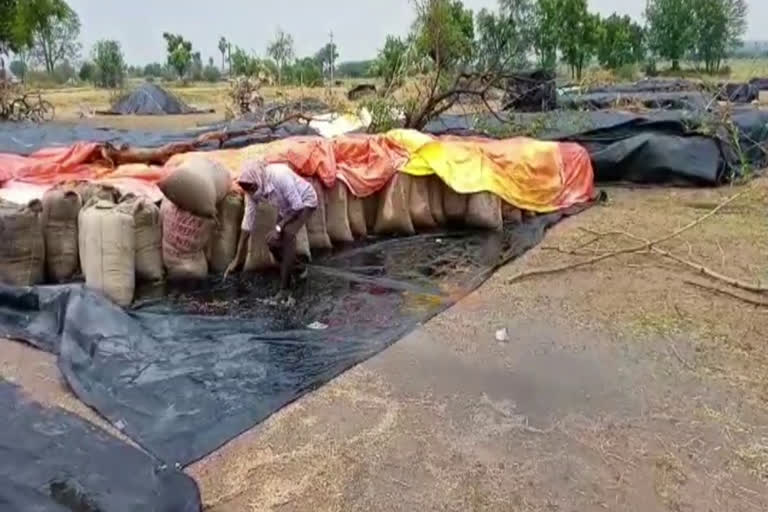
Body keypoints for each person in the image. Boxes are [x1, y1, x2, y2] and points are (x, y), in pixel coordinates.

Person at [225, 159, 318, 295]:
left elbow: (297, 207)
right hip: (286, 209)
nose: (251, 193)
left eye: (252, 188)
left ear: (257, 179)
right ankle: (299, 269)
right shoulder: (253, 188)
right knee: (272, 243)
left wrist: (279, 227)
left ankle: (284, 289)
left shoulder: (280, 176)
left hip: (305, 203)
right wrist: (237, 259)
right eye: (247, 189)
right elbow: (247, 222)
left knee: (287, 236)